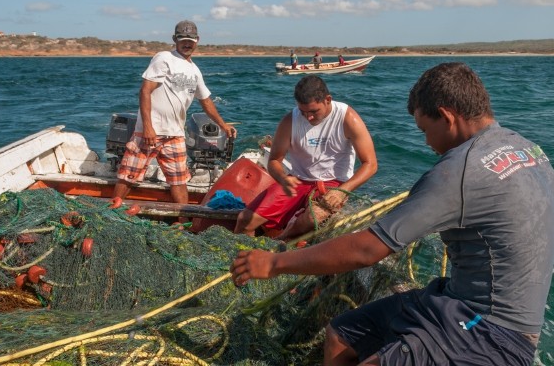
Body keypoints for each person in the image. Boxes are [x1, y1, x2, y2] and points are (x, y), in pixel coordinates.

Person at [230, 62, 554, 365]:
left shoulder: (459, 170)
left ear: (447, 116)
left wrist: (273, 263)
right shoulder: (526, 147)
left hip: (492, 329)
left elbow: (366, 250)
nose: (426, 142)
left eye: (425, 130)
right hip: (452, 298)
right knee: (341, 335)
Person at [112, 20, 237, 212]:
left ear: (198, 40)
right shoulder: (163, 58)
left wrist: (223, 125)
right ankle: (110, 212)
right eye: (183, 39)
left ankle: (182, 221)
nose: (187, 44)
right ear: (174, 39)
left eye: (191, 40)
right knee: (129, 175)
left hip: (175, 134)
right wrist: (147, 126)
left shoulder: (194, 70)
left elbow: (206, 100)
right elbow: (145, 91)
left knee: (179, 180)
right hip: (150, 131)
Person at [233, 75, 377, 240]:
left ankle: (277, 245)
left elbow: (370, 164)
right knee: (245, 220)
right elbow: (274, 161)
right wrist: (282, 178)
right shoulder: (289, 121)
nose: (308, 117)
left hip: (334, 183)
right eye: (303, 112)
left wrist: (343, 191)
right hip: (297, 181)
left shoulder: (347, 118)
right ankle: (242, 259)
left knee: (310, 218)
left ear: (328, 100)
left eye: (314, 111)